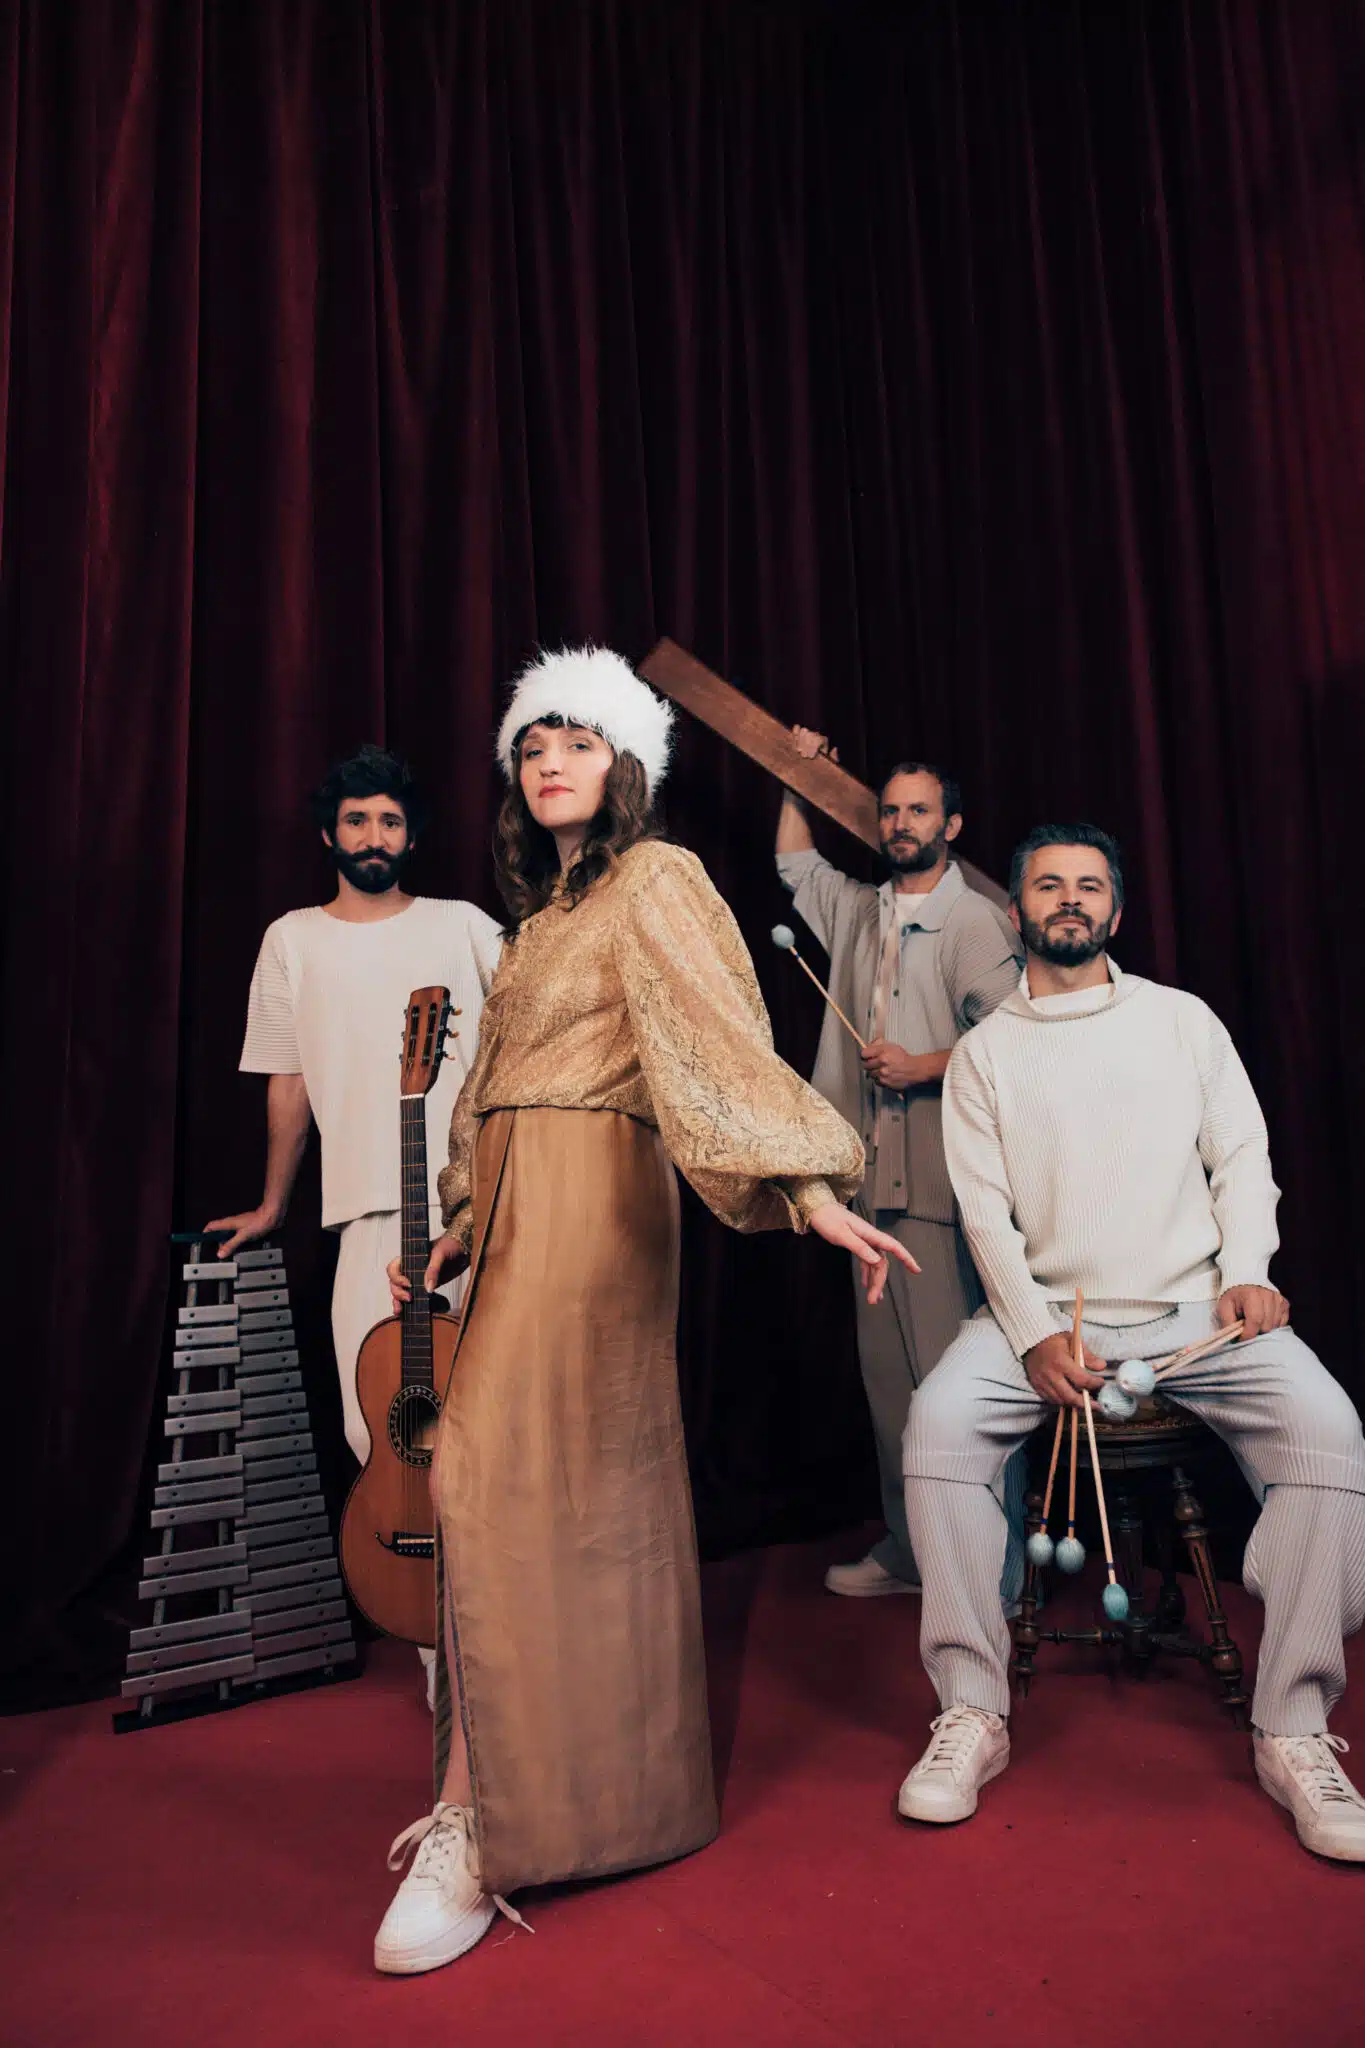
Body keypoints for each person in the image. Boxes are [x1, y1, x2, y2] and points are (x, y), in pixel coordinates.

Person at [374, 646, 915, 1975]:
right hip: (513, 1204)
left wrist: (806, 1189)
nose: (550, 761)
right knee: (529, 1499)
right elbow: (491, 1086)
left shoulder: (657, 878)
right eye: (532, 744)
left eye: (578, 740)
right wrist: (458, 1221)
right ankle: (544, 1799)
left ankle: (480, 1824)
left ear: (624, 764)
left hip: (597, 1202)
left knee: (487, 1477)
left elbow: (721, 1041)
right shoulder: (537, 922)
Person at [897, 823, 1365, 1862]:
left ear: (1116, 908)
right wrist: (1030, 1334)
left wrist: (1249, 1266)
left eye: (1089, 884)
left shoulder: (1181, 1019)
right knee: (937, 1424)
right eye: (1048, 884)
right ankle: (971, 1707)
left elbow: (1241, 1153)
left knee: (1328, 1429)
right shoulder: (983, 1054)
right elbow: (984, 1214)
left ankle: (1292, 1725)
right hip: (1047, 1313)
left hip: (1199, 1310)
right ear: (1015, 909)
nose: (1069, 898)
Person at [210, 746, 502, 1699]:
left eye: (389, 821)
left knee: (494, 1426)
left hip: (478, 1211)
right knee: (378, 1425)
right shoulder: (291, 940)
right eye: (356, 821)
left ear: (411, 836)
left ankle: (510, 1644)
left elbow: (529, 1047)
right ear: (328, 835)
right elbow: (287, 1082)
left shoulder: (464, 926)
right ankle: (437, 1654)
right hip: (368, 1214)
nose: (373, 836)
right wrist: (274, 1203)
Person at [776, 731, 1023, 1596]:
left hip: (939, 1186)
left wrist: (924, 1066)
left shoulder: (975, 920)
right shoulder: (862, 910)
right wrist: (796, 780)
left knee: (960, 1389)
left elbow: (1019, 1041)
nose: (900, 824)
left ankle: (992, 1572)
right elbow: (796, 866)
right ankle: (914, 1551)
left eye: (919, 810)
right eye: (889, 811)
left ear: (950, 824)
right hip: (862, 1186)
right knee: (891, 1389)